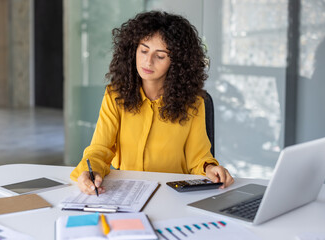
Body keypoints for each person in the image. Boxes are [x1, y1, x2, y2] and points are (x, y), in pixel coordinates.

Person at [70, 11, 234, 195]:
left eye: (160, 56)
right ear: (133, 50)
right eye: (144, 50)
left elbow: (198, 157)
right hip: (126, 190)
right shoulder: (115, 95)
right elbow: (100, 149)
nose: (148, 61)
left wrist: (210, 169)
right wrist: (90, 172)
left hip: (173, 193)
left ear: (177, 62)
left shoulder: (193, 103)